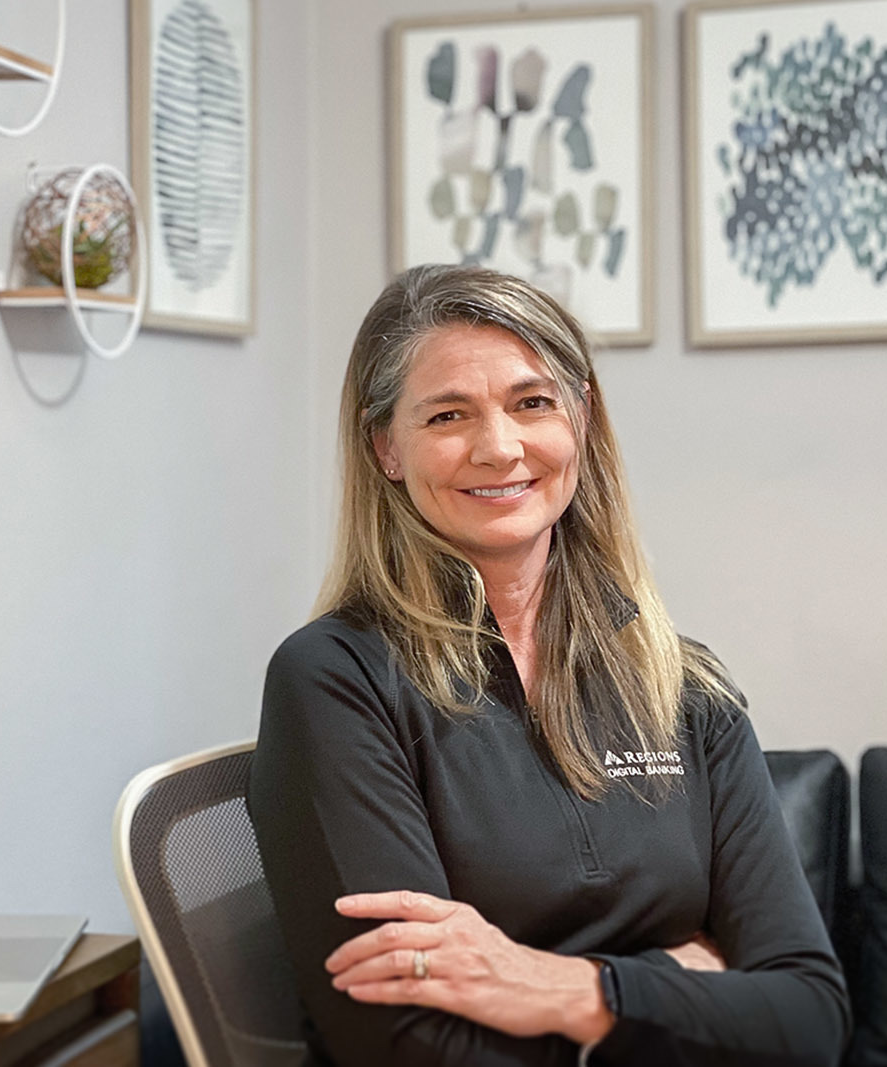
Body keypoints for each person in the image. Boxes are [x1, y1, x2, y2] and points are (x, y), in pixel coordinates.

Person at [247, 265, 850, 1066]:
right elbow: (406, 1044)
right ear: (386, 447)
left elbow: (809, 1015)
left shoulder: (682, 681)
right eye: (448, 414)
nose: (500, 447)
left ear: (582, 421)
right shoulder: (336, 679)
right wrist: (683, 981)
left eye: (532, 402)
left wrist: (555, 986)